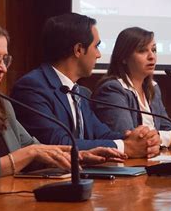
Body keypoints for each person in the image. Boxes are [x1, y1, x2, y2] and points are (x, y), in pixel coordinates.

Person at [0, 18, 126, 184]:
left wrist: (82, 155)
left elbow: (35, 148)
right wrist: (30, 153)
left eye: (5, 59)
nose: (2, 68)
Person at [10, 13, 160, 158]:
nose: (99, 54)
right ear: (79, 50)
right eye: (96, 46)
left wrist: (140, 139)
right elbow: (58, 143)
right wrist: (125, 146)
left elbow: (102, 134)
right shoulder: (32, 87)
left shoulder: (80, 92)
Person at [92, 27, 171, 147]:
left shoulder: (152, 89)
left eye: (154, 50)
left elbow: (167, 127)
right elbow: (128, 137)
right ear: (124, 58)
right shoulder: (112, 90)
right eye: (142, 51)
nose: (152, 56)